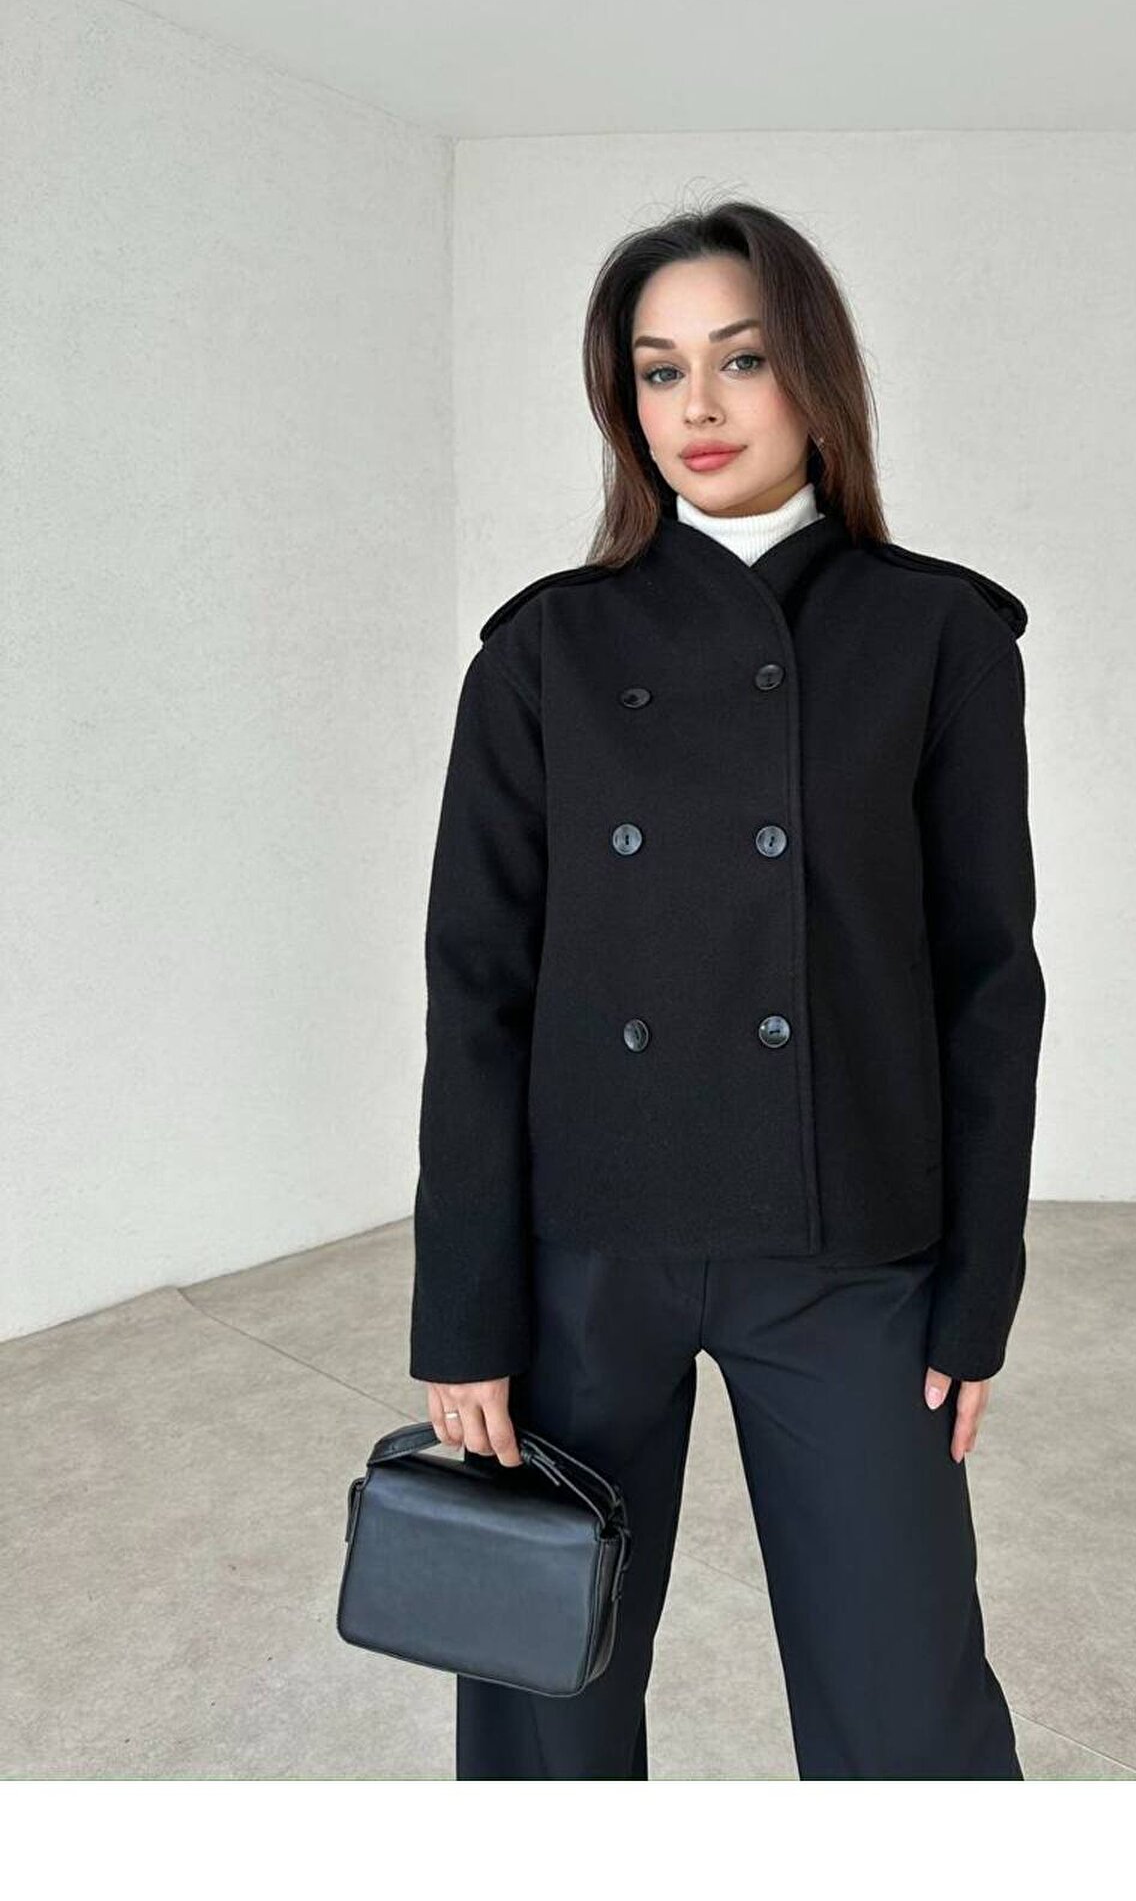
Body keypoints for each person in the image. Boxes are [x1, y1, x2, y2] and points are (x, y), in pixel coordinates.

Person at [408, 198, 1046, 1781]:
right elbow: (476, 992)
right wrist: (465, 1313)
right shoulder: (544, 652)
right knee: (544, 1701)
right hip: (587, 1249)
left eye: (742, 359)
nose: (697, 405)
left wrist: (978, 1293)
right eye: (658, 369)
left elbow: (987, 983)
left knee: (908, 1712)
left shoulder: (939, 635)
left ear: (816, 375)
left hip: (850, 1250)